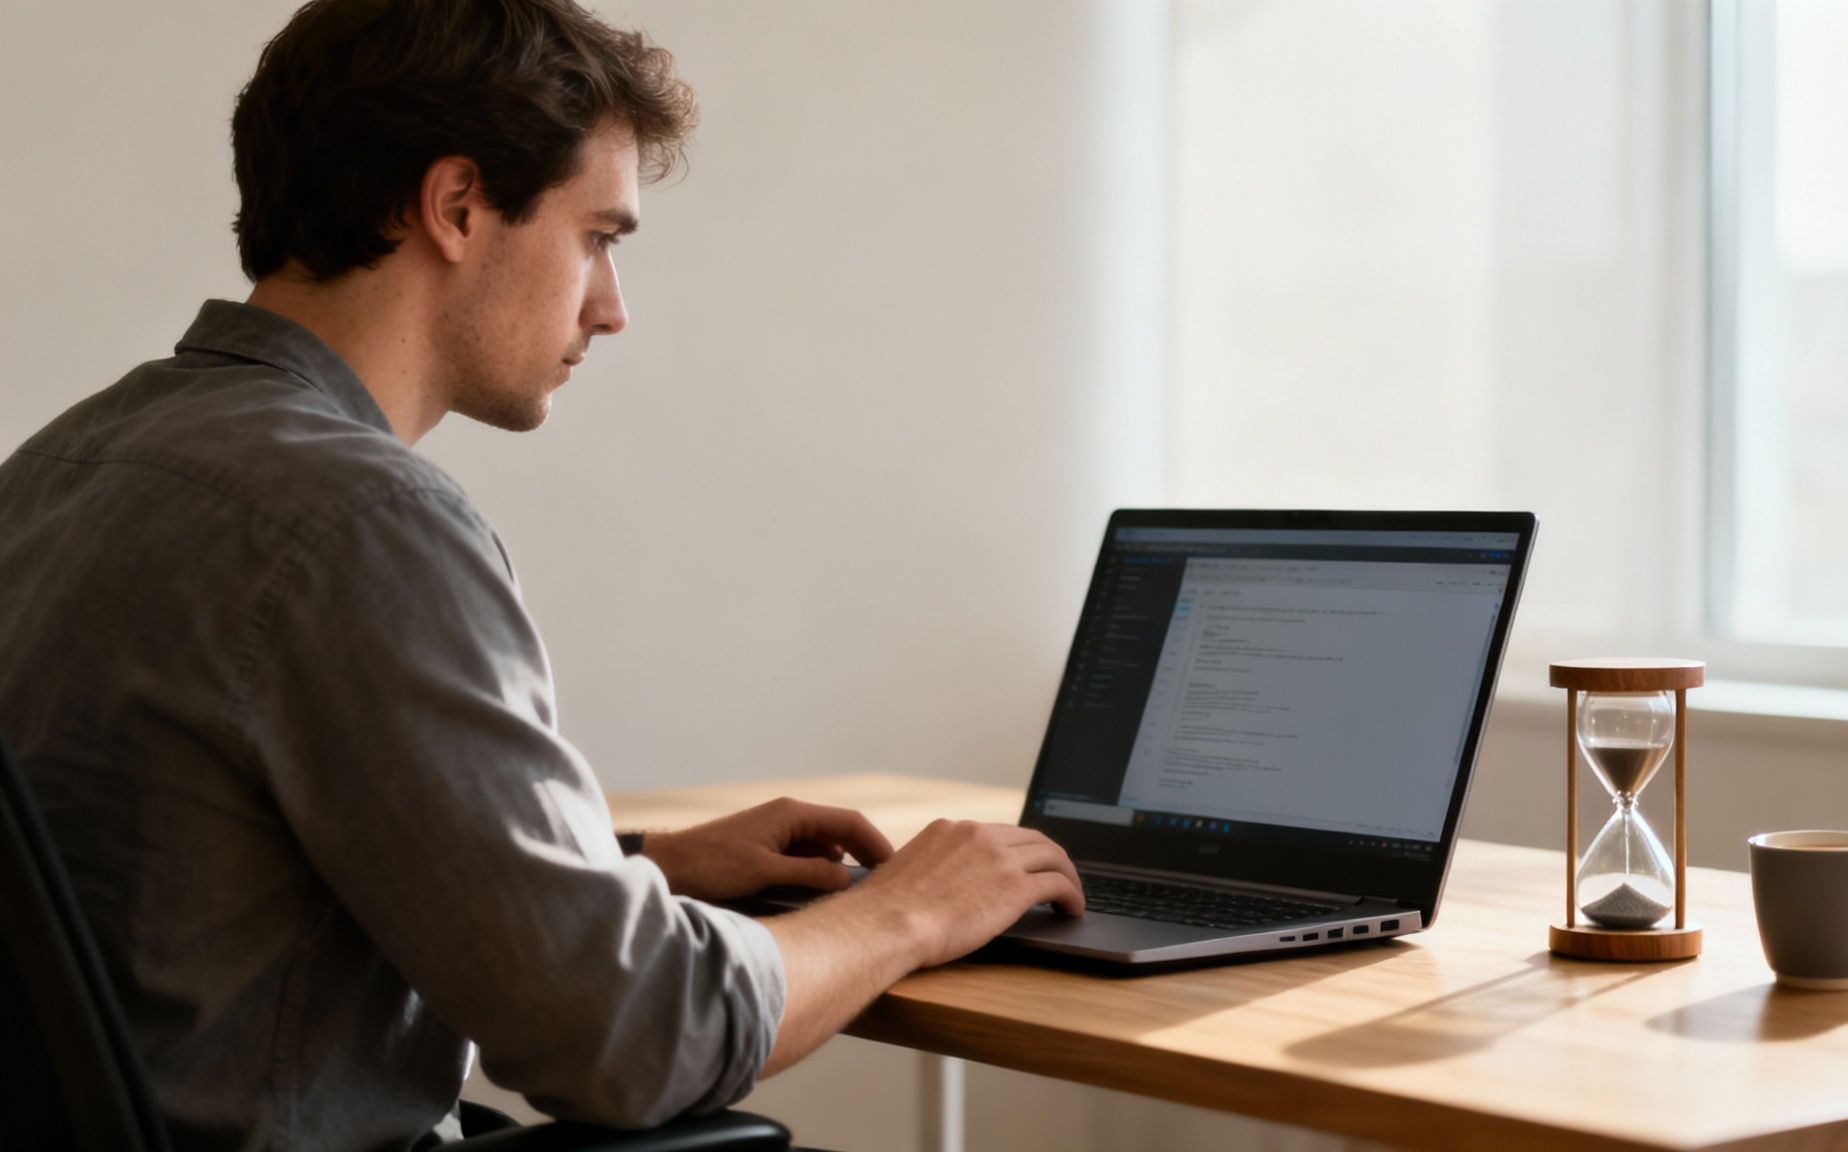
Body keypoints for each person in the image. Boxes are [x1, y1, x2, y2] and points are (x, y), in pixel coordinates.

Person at [0, 1, 1084, 1148]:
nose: (611, 310)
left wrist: (638, 870)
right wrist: (909, 912)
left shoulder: (57, 468)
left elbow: (222, 880)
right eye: (597, 237)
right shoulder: (362, 522)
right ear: (457, 205)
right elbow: (629, 1039)